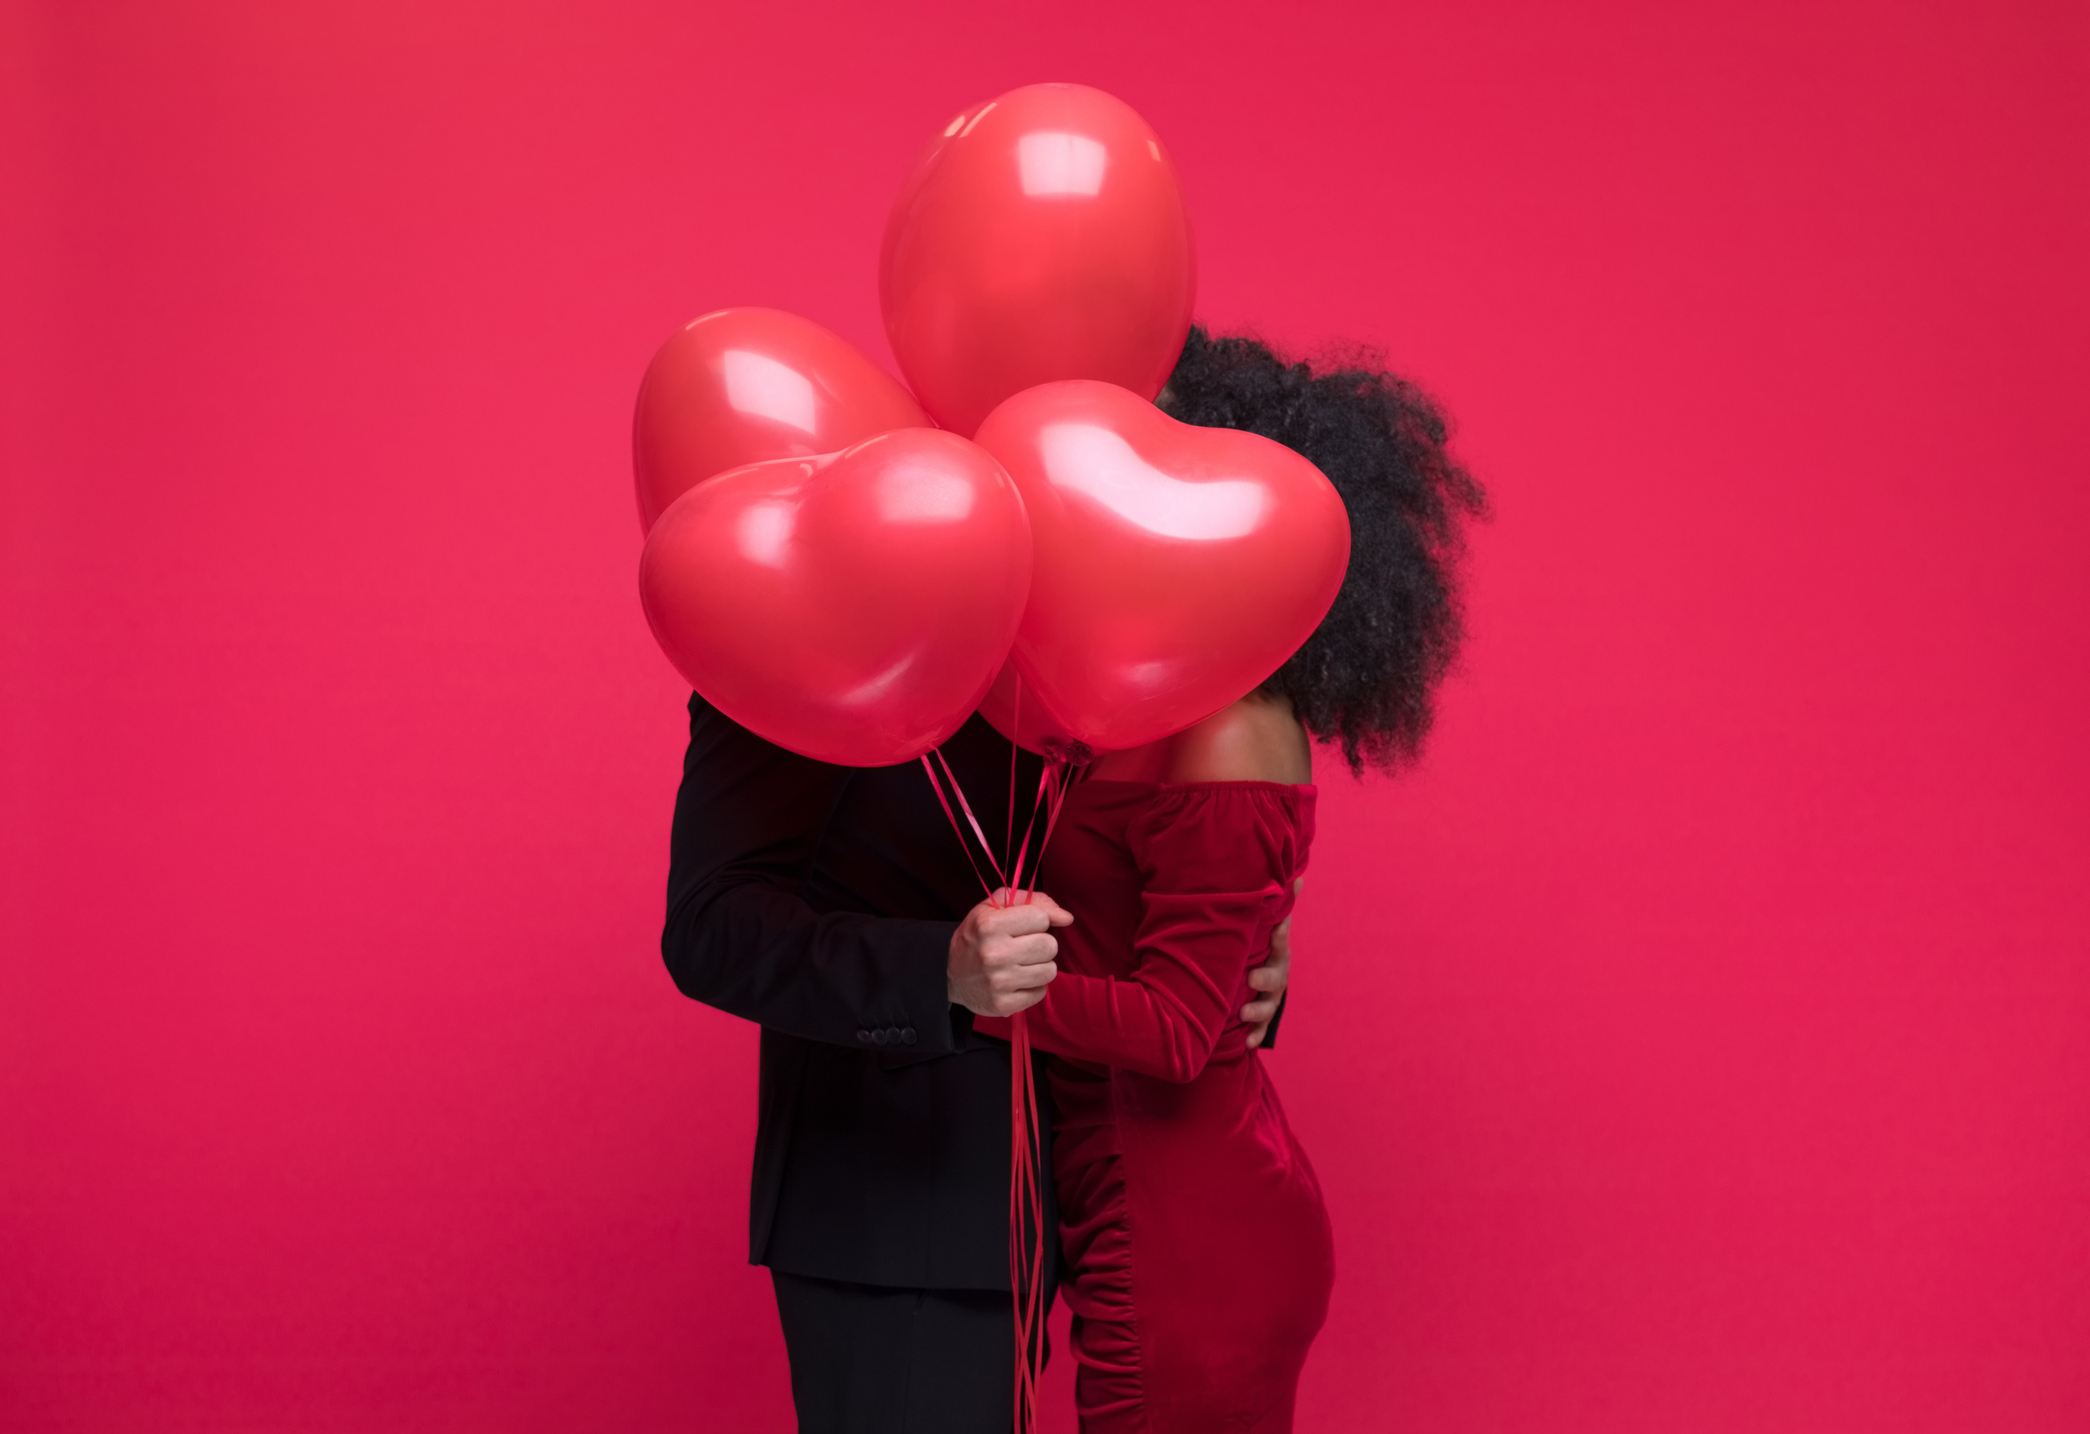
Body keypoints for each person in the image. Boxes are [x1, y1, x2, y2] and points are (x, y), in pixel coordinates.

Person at [972, 327, 1486, 1433]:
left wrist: (972, 994)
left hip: (1188, 1238)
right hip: (1136, 1210)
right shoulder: (1139, 698)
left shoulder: (1231, 721)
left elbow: (1175, 1029)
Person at [659, 668, 1292, 1425]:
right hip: (896, 1195)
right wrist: (939, 972)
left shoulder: (1072, 624)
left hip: (1101, 1185)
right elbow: (709, 927)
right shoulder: (798, 640)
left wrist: (1241, 937)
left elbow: (1121, 856)